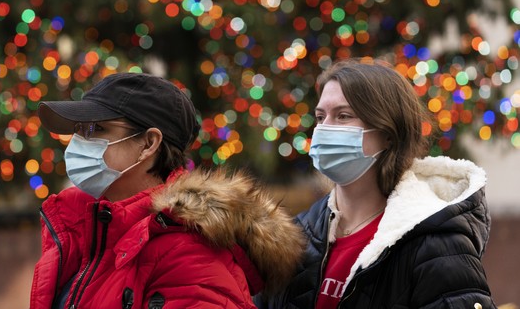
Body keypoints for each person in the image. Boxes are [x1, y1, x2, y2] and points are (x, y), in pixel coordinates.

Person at [29, 72, 305, 309]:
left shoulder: (191, 258)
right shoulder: (88, 230)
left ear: (149, 143)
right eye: (78, 130)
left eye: (96, 129)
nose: (77, 142)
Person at [254, 58, 496, 308]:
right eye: (320, 116)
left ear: (389, 135)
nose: (324, 129)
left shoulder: (436, 243)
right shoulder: (296, 236)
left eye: (343, 116)